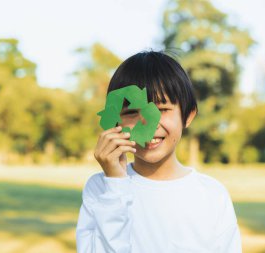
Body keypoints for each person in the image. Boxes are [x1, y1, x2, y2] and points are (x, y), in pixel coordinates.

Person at [76, 51, 241, 253]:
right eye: (131, 112)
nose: (147, 123)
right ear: (115, 121)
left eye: (161, 109)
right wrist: (115, 185)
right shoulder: (101, 189)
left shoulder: (213, 195)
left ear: (188, 116)